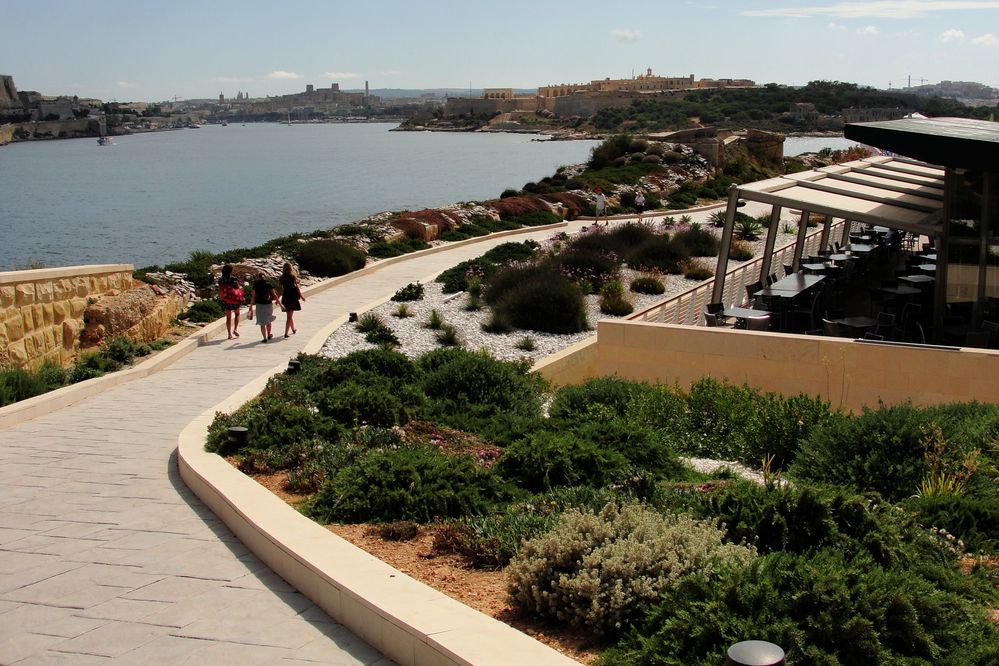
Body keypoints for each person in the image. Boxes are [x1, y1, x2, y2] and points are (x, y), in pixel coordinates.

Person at [248, 274, 282, 343]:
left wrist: (251, 306)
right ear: (265, 277)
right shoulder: (268, 284)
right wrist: (280, 304)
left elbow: (253, 296)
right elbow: (274, 295)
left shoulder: (256, 285)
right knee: (268, 320)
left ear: (258, 278)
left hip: (259, 305)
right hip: (268, 305)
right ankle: (269, 335)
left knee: (262, 322)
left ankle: (264, 338)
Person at [217, 264, 244, 339]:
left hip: (226, 299)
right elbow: (237, 288)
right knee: (237, 314)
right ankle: (235, 329)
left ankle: (229, 334)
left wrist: (221, 297)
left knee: (228, 318)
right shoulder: (233, 279)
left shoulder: (221, 279)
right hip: (234, 299)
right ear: (230, 271)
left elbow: (220, 290)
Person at [279, 262, 305, 338]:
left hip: (286, 296)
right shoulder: (292, 276)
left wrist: (278, 299)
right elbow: (297, 287)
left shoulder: (281, 277)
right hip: (292, 297)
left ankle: (293, 329)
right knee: (289, 316)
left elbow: (280, 290)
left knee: (289, 315)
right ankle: (286, 333)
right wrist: (301, 296)